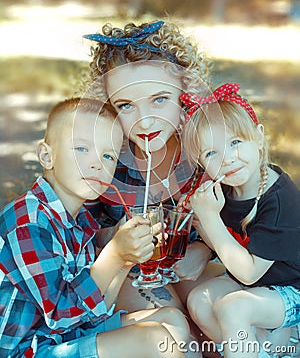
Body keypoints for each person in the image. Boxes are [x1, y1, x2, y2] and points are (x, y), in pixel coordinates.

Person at [0, 97, 194, 358]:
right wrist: (113, 254)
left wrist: (125, 261)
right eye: (81, 149)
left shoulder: (80, 221)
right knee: (153, 339)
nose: (97, 163)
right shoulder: (27, 222)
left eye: (108, 155)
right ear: (47, 156)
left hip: (63, 335)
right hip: (26, 350)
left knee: (172, 320)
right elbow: (62, 313)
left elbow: (94, 310)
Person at [82, 19, 224, 317]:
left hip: (186, 267)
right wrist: (116, 242)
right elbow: (92, 242)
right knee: (177, 327)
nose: (144, 121)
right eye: (125, 105)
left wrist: (205, 250)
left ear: (184, 93)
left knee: (211, 311)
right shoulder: (108, 162)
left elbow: (241, 222)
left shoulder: (204, 152)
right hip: (127, 272)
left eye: (159, 99)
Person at [180, 83, 300, 357]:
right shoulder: (223, 192)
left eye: (236, 143)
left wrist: (210, 219)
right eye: (212, 153)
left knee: (234, 307)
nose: (228, 159)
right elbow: (224, 245)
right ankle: (263, 352)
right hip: (259, 288)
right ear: (201, 163)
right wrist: (201, 219)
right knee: (200, 300)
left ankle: (284, 340)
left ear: (258, 138)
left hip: (293, 289)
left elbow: (248, 272)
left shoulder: (281, 199)